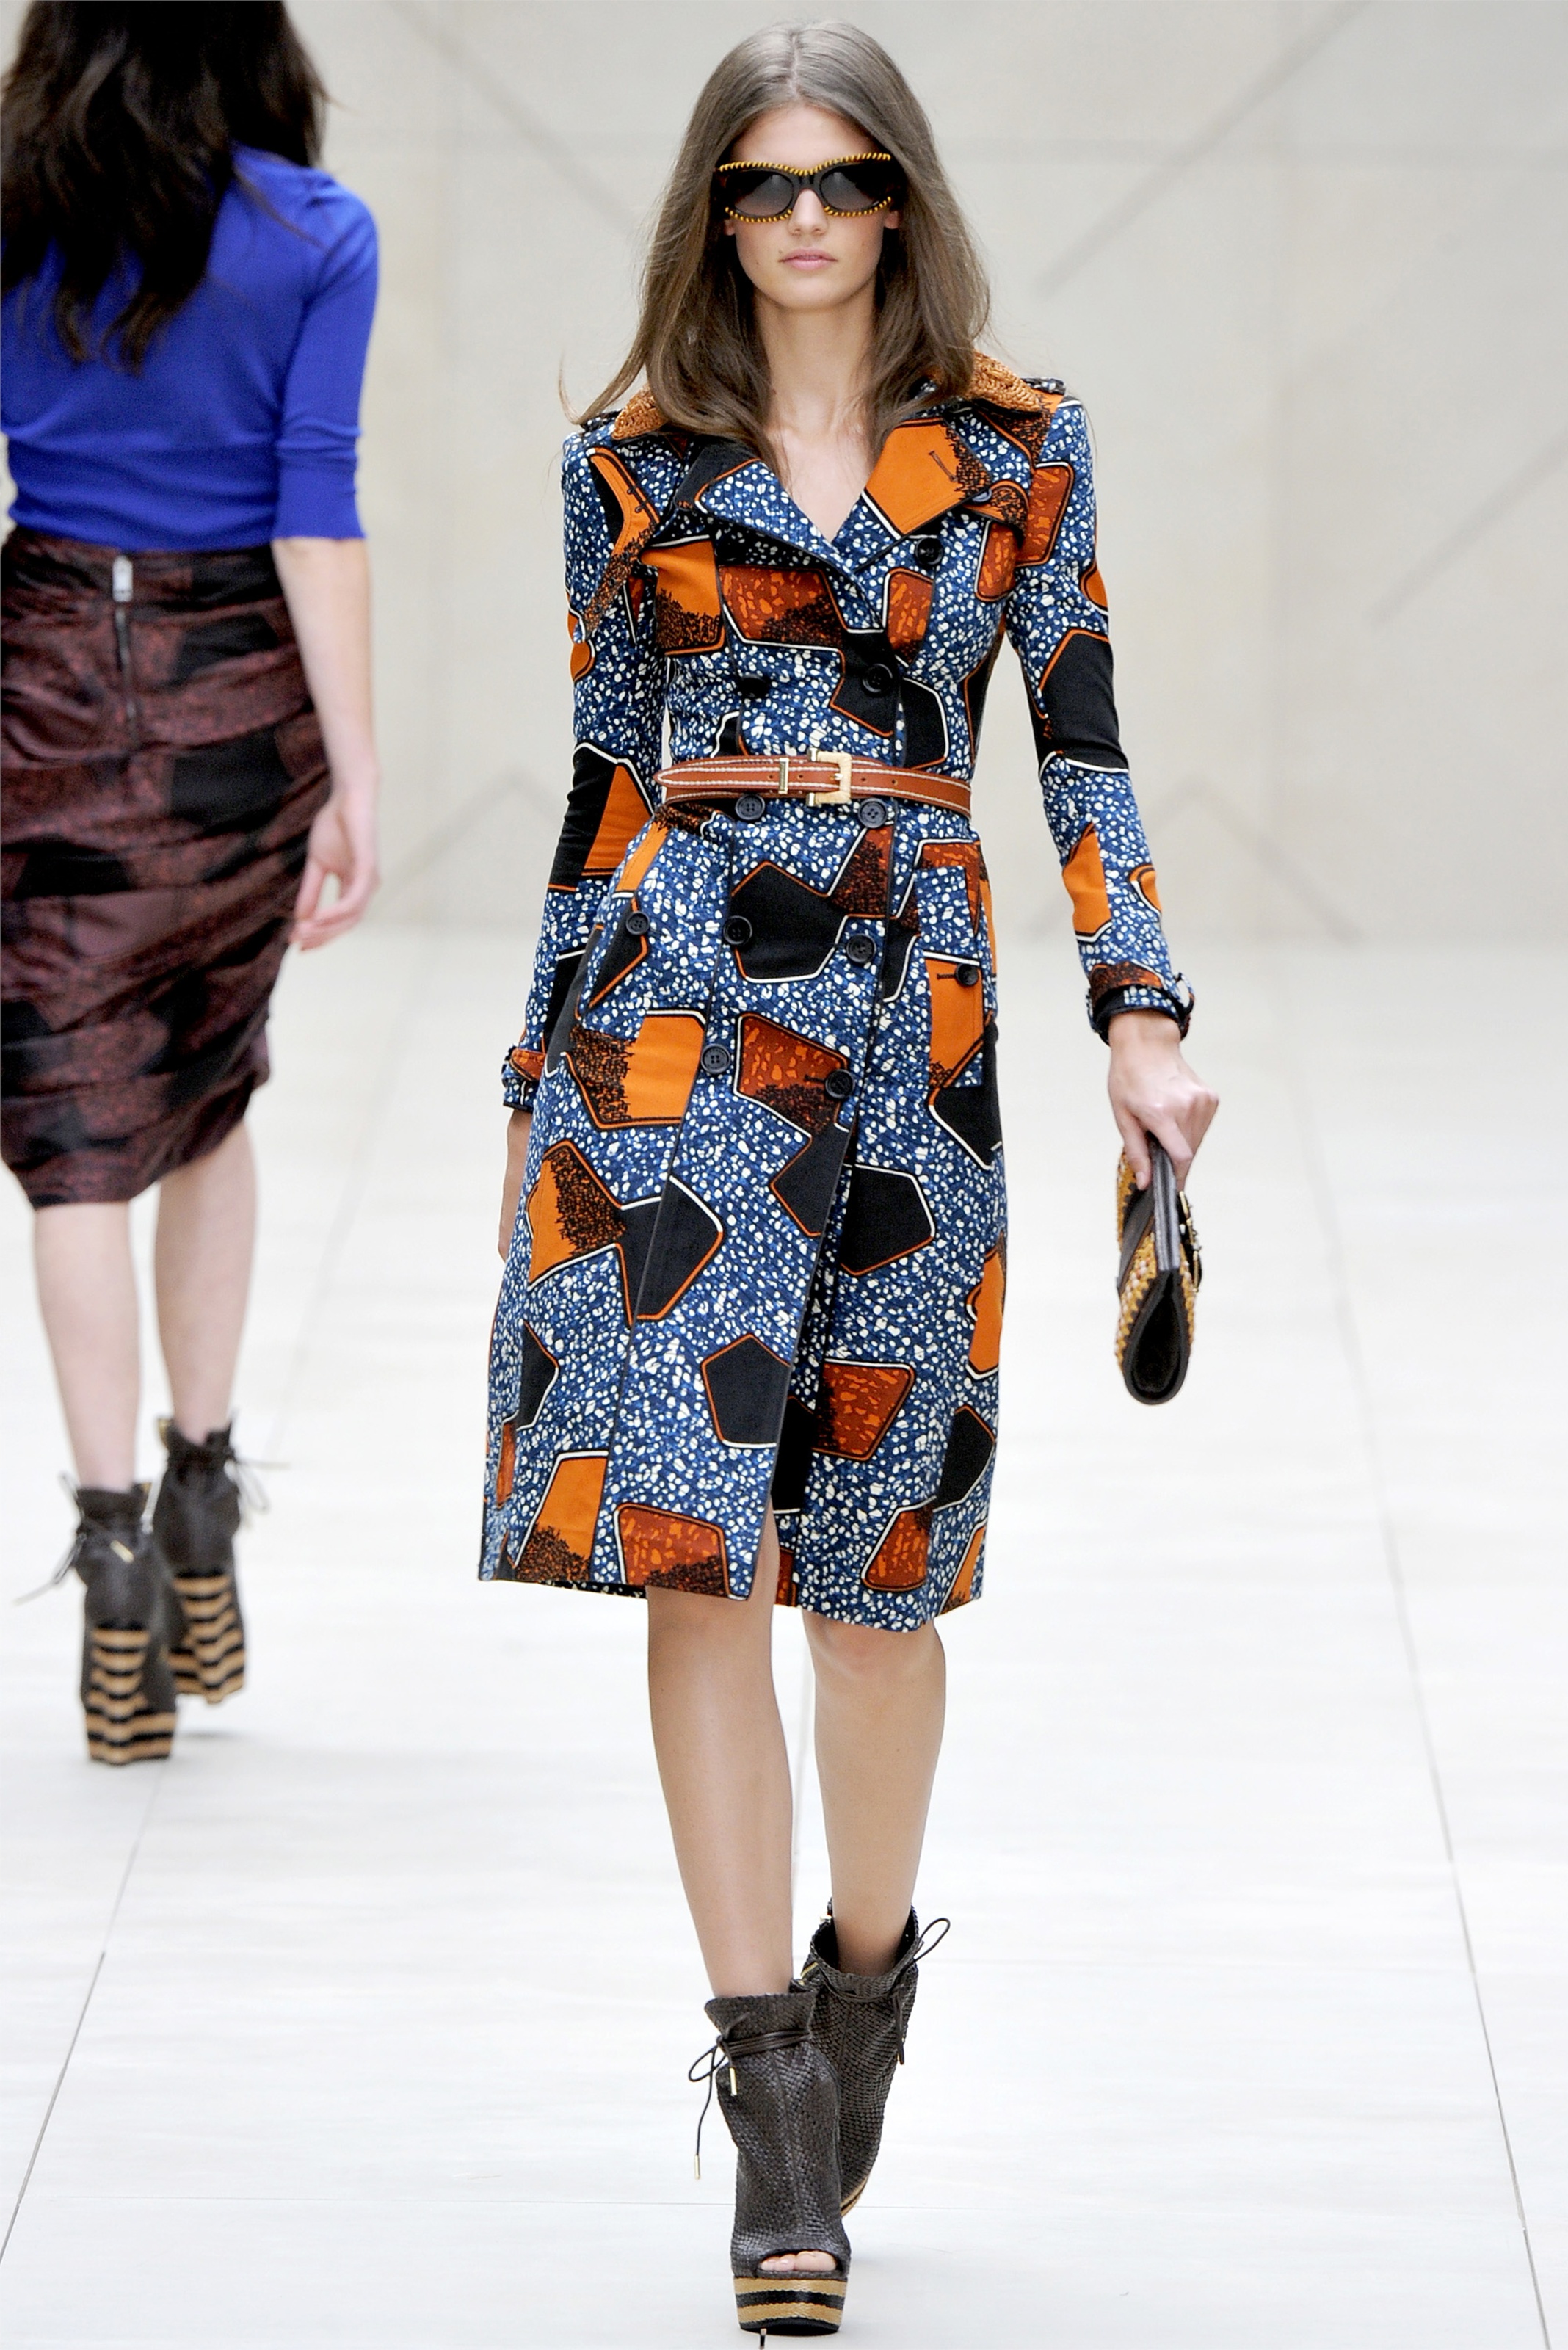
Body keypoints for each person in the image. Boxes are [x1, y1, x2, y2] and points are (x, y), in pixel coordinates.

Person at [486, 21, 1216, 2337]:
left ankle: (864, 1979)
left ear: (901, 198)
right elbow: (605, 782)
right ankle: (772, 2100)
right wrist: (534, 1080)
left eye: (842, 178)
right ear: (713, 213)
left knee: (879, 1577)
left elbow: (1081, 744)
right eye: (763, 184)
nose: (804, 219)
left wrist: (1143, 1013)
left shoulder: (1015, 445)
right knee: (694, 1557)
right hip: (678, 1023)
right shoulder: (630, 462)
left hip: (916, 1020)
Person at [1, 2, 379, 1765]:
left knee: (73, 1129)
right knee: (209, 1084)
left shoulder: (16, 213)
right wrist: (356, 773)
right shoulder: (316, 233)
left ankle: (111, 1553)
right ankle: (204, 1483)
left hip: (43, 679)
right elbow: (317, 510)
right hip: (242, 693)